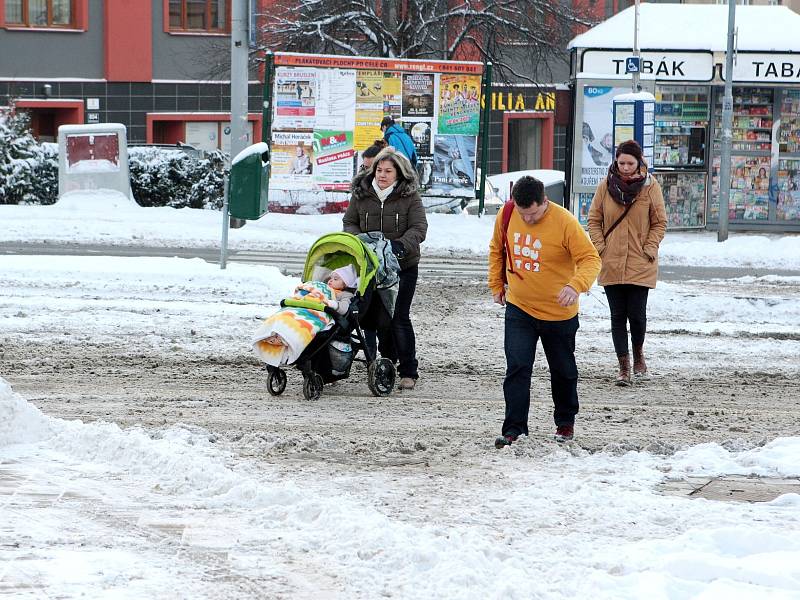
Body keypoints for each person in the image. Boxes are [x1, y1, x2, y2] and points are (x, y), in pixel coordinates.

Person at [489, 176, 601, 447]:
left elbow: (590, 259)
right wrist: (496, 283)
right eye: (522, 213)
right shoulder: (506, 213)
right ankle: (514, 429)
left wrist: (576, 285)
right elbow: (497, 250)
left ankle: (565, 423)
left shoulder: (564, 222)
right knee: (517, 367)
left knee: (562, 371)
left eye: (534, 214)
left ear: (545, 202)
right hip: (520, 307)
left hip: (558, 313)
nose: (527, 219)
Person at [343, 147, 427, 390]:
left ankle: (408, 370)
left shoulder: (409, 196)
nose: (382, 175)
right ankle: (383, 361)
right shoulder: (362, 193)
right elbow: (349, 222)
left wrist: (400, 246)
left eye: (388, 171)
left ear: (398, 174)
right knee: (376, 317)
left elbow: (419, 227)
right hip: (369, 265)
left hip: (402, 266)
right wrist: (360, 241)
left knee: (398, 317)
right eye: (379, 170)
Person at [587, 139, 667, 386]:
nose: (624, 167)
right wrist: (601, 247)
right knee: (617, 316)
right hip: (611, 260)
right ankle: (623, 366)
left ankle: (639, 353)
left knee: (637, 315)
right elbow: (593, 219)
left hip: (640, 260)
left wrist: (649, 247)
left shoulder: (650, 187)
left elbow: (659, 222)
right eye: (621, 162)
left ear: (639, 161)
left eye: (630, 163)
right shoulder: (605, 186)